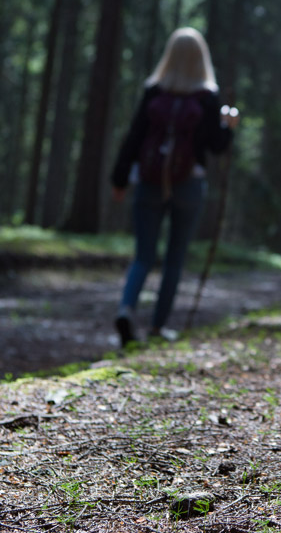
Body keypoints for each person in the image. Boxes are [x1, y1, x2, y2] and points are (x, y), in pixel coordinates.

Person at [110, 27, 238, 347]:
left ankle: (126, 309)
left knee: (143, 255)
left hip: (149, 181)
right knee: (174, 257)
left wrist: (120, 178)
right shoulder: (207, 97)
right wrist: (229, 127)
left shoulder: (154, 91)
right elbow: (216, 147)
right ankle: (157, 328)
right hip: (189, 184)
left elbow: (134, 137)